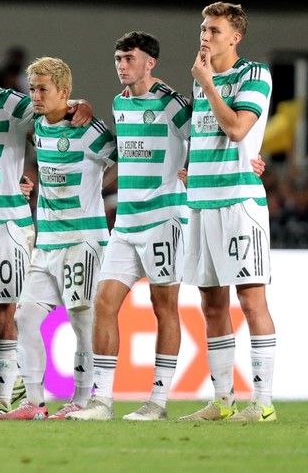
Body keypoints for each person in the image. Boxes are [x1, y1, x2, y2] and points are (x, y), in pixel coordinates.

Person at [0, 42, 92, 419]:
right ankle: (16, 378)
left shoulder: (14, 105)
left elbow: (54, 115)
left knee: (4, 314)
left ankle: (2, 396)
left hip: (3, 226)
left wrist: (80, 106)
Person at [64, 32, 189, 421]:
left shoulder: (173, 104)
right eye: (118, 58)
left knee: (163, 306)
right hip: (127, 223)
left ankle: (158, 401)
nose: (122, 65)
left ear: (150, 62)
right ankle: (102, 401)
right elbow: (126, 154)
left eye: (129, 58)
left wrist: (200, 170)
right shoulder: (119, 103)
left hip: (164, 220)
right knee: (104, 303)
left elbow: (207, 140)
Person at [0, 56, 116, 421]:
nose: (34, 95)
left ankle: (82, 402)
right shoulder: (37, 126)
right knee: (25, 317)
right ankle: (34, 403)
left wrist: (96, 188)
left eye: (42, 89)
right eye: (32, 88)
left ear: (64, 92)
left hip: (83, 240)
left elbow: (124, 159)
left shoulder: (89, 128)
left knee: (82, 321)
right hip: (47, 242)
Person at [178, 2, 277, 422]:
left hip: (239, 203)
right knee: (211, 303)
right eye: (203, 28)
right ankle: (222, 401)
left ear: (235, 38)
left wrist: (208, 84)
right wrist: (191, 167)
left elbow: (237, 128)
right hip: (200, 202)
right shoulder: (202, 80)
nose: (205, 35)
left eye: (215, 30)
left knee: (251, 301)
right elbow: (209, 135)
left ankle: (264, 403)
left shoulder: (253, 74)